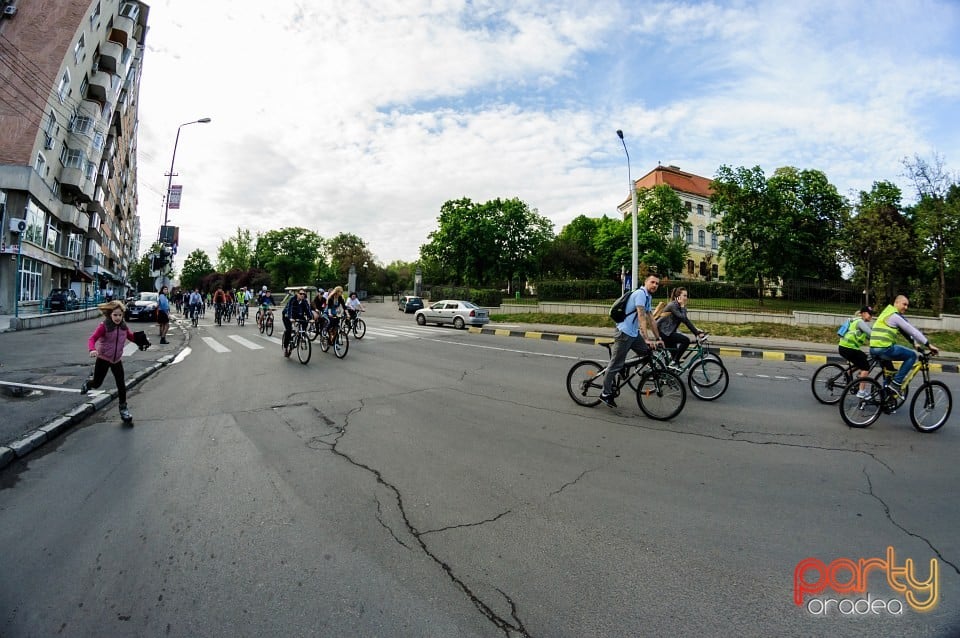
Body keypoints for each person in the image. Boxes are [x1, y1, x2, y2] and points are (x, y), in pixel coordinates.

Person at [80, 300, 150, 422]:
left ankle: (123, 409)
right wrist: (92, 349)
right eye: (115, 315)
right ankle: (88, 383)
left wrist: (141, 340)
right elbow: (92, 339)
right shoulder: (104, 326)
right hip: (103, 358)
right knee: (97, 383)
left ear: (123, 315)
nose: (117, 318)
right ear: (110, 315)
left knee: (121, 385)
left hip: (116, 360)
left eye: (120, 315)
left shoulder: (123, 327)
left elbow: (131, 337)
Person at [600, 273, 663, 408]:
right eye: (652, 282)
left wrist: (658, 338)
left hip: (633, 334)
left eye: (657, 283)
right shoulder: (640, 294)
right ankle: (605, 393)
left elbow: (651, 318)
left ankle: (623, 366)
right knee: (614, 365)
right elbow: (641, 316)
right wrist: (646, 338)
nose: (655, 285)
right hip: (624, 333)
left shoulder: (648, 297)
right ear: (646, 282)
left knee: (647, 352)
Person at [868, 295, 939, 398]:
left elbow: (904, 331)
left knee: (890, 372)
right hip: (884, 349)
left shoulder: (887, 313)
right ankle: (896, 384)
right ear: (896, 303)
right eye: (904, 304)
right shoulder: (895, 316)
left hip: (874, 349)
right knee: (912, 356)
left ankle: (885, 397)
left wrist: (914, 343)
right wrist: (929, 345)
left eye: (907, 305)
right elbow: (912, 331)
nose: (906, 307)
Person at [656, 287, 704, 370]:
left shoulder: (679, 306)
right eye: (684, 295)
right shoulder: (673, 305)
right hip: (665, 333)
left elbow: (686, 321)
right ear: (678, 296)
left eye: (686, 296)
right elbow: (683, 318)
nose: (686, 298)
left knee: (675, 354)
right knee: (686, 340)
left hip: (670, 332)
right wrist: (682, 306)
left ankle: (670, 373)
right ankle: (674, 362)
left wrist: (696, 331)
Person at [838, 306, 879, 398]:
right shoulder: (860, 322)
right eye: (870, 314)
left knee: (864, 358)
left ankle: (848, 372)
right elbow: (871, 334)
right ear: (864, 313)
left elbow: (870, 338)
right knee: (866, 367)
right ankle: (861, 391)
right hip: (849, 349)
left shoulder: (856, 321)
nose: (871, 317)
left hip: (844, 348)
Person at [281, 288, 313, 357]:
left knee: (305, 321)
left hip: (297, 315)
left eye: (304, 294)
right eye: (300, 294)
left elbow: (308, 310)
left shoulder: (304, 301)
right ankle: (286, 347)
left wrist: (311, 318)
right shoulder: (292, 299)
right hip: (287, 315)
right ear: (297, 294)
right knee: (288, 330)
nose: (302, 295)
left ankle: (301, 336)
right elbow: (289, 308)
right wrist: (290, 318)